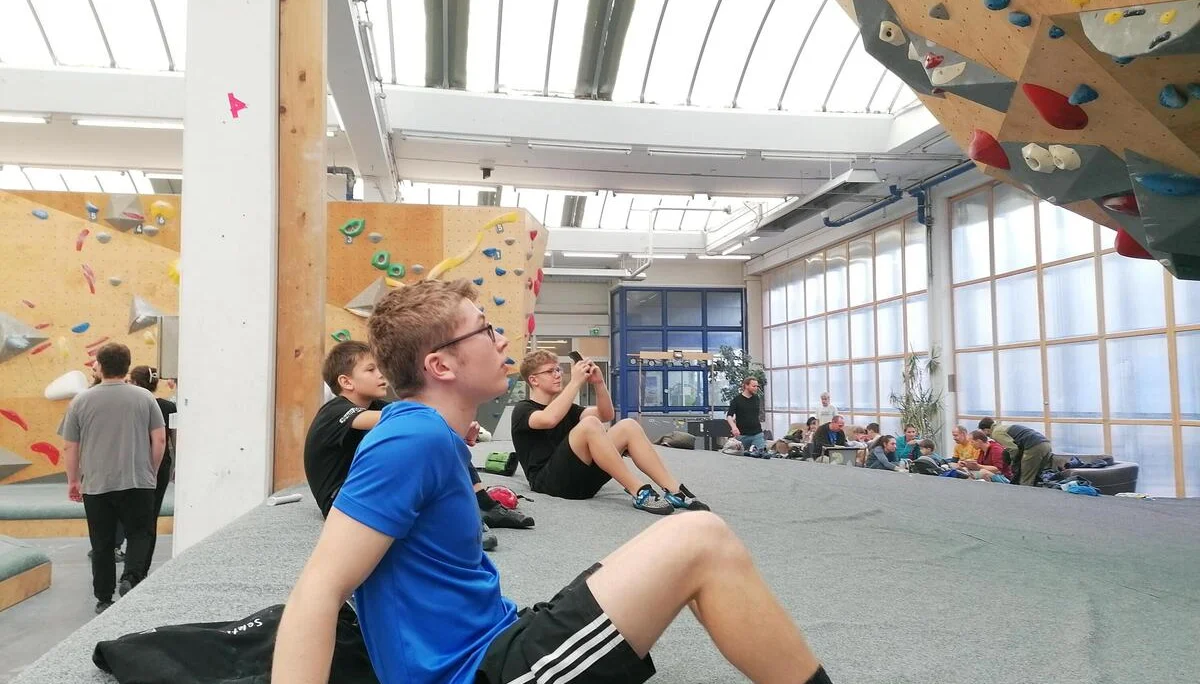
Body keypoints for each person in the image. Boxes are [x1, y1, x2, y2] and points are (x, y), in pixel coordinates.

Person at [271, 279, 832, 684]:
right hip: (478, 670)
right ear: (441, 366)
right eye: (486, 332)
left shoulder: (423, 432)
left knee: (690, 547)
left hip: (498, 635)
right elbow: (317, 590)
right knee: (701, 540)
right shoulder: (409, 440)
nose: (503, 344)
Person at [303, 342, 531, 540]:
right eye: (371, 370)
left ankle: (483, 503)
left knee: (441, 439)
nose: (381, 374)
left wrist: (457, 431)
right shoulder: (334, 411)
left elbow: (419, 422)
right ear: (346, 382)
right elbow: (401, 417)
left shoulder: (379, 407)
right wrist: (448, 415)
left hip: (368, 488)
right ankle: (450, 526)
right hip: (340, 500)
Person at [512, 349, 706, 514]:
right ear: (534, 380)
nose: (557, 374)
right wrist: (576, 383)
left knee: (627, 426)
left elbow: (606, 414)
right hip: (551, 484)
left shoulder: (567, 409)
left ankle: (674, 490)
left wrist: (599, 384)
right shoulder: (523, 410)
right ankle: (637, 490)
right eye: (550, 371)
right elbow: (548, 419)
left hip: (583, 481)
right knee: (590, 424)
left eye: (558, 369)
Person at [61, 343, 166, 614]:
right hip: (137, 480)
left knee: (102, 542)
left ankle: (104, 597)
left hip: (97, 484)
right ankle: (131, 577)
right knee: (139, 533)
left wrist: (73, 480)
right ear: (127, 365)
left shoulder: (81, 401)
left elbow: (70, 446)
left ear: (100, 365)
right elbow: (159, 438)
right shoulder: (145, 398)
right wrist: (151, 470)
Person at [127, 366, 175, 577]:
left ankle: (132, 565)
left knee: (131, 516)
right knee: (150, 517)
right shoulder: (168, 406)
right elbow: (173, 439)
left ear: (136, 383)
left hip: (134, 464)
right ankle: (140, 568)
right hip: (159, 465)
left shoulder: (131, 405)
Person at [978, 418, 1052, 486]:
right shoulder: (1004, 427)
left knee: (1025, 479)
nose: (985, 436)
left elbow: (1013, 449)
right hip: (1046, 444)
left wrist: (1014, 464)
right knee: (1035, 476)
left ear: (986, 430)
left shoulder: (996, 432)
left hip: (1033, 447)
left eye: (983, 432)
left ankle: (1023, 498)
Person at [726, 376, 765, 452]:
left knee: (759, 453)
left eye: (757, 386)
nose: (756, 388)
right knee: (742, 456)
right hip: (742, 435)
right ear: (746, 386)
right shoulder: (737, 400)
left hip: (757, 433)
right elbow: (729, 416)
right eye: (753, 386)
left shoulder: (756, 398)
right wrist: (734, 427)